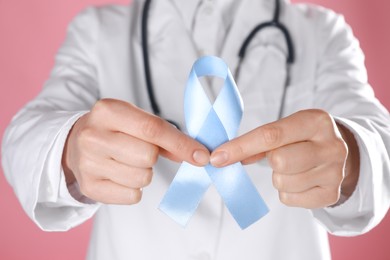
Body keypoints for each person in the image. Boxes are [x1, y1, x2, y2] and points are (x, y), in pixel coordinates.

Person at [2, 0, 390, 259]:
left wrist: (352, 158)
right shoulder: (98, 32)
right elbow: (25, 136)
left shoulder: (322, 32)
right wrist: (69, 149)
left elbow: (380, 140)